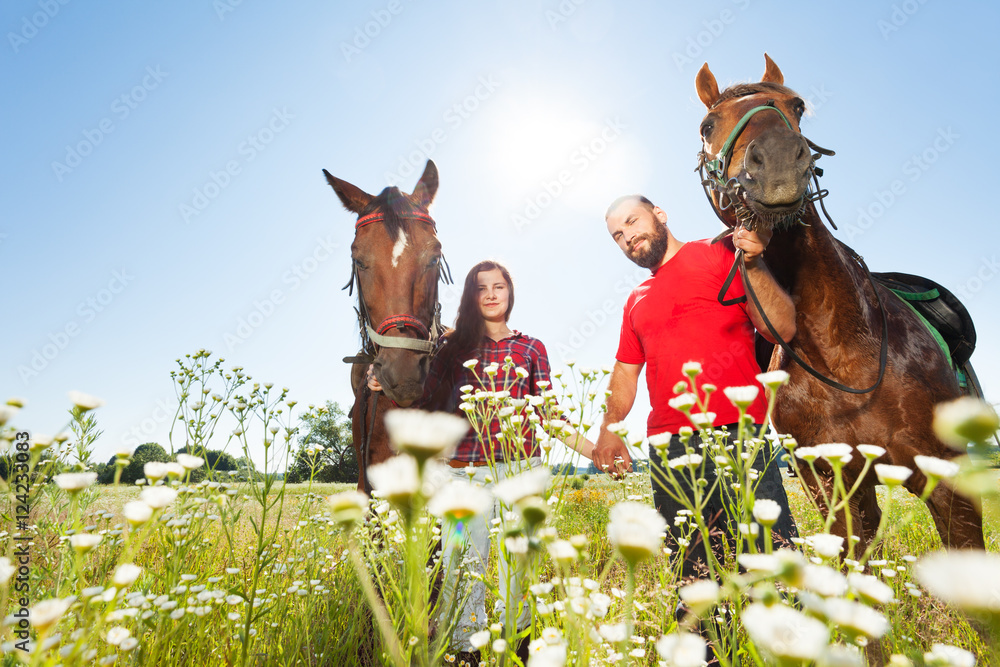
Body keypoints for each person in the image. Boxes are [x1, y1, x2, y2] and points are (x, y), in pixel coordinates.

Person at [369, 259, 595, 664]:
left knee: (519, 566)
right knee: (459, 564)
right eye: (481, 288)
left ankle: (518, 645)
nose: (491, 295)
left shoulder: (530, 348)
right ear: (471, 297)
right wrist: (383, 380)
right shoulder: (452, 348)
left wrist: (596, 451)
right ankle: (464, 651)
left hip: (521, 472)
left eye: (499, 287)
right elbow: (425, 399)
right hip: (460, 474)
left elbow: (550, 416)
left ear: (510, 293)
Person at [593, 194, 799, 583]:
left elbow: (780, 329)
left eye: (633, 222)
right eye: (618, 235)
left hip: (739, 437)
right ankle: (707, 646)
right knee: (694, 577)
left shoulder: (722, 253)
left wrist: (752, 263)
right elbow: (625, 370)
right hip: (670, 449)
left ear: (660, 215)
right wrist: (609, 427)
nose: (628, 238)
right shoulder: (635, 300)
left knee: (771, 567)